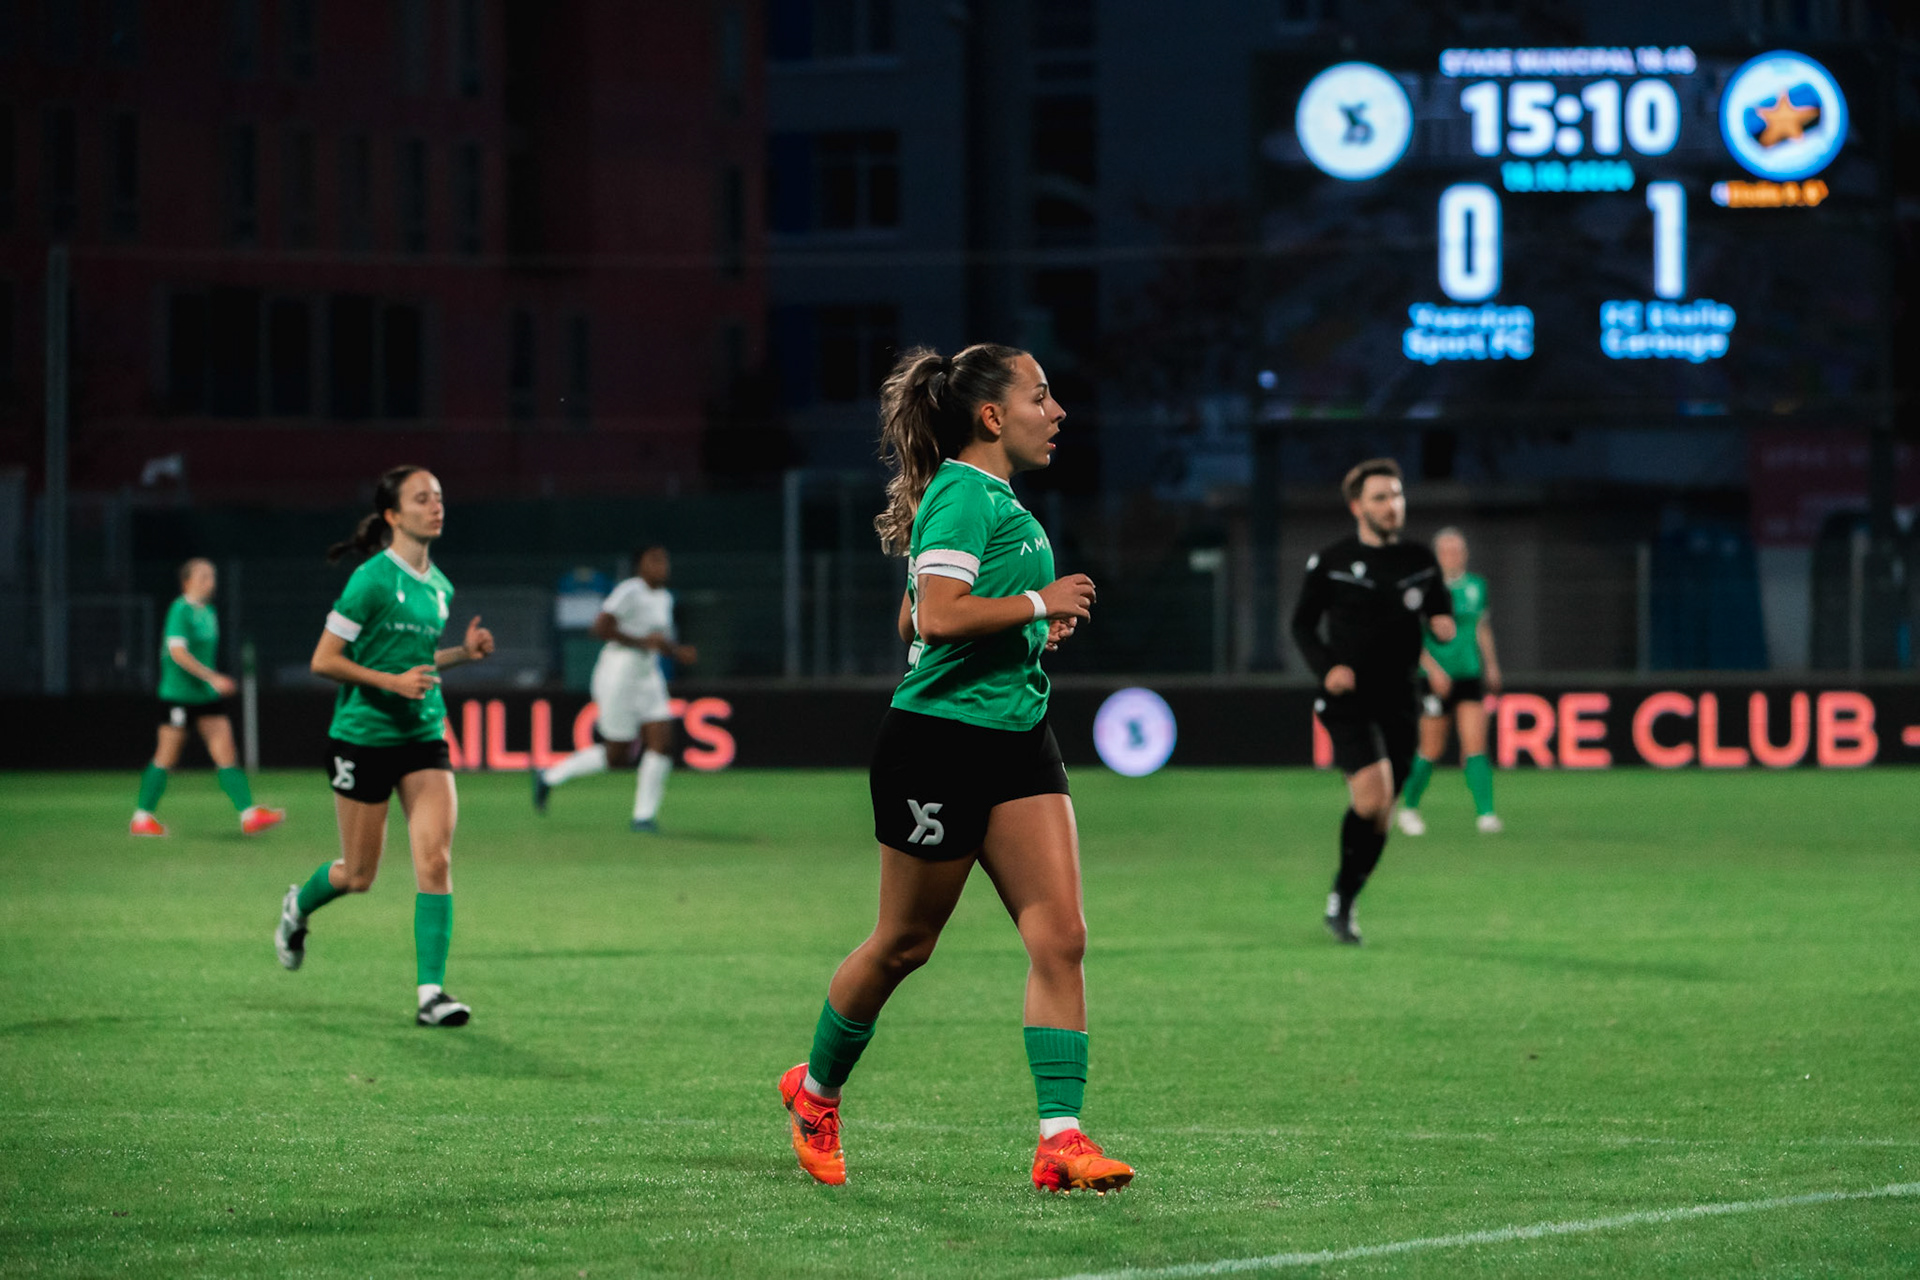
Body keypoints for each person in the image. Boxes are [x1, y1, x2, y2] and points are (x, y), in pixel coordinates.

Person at [777, 344, 1131, 1194]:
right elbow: (933, 618)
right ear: (990, 415)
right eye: (1041, 395)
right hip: (936, 743)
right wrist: (1040, 604)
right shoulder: (963, 493)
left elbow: (912, 616)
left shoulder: (989, 500)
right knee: (905, 943)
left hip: (1017, 738)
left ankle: (1061, 1140)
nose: (1058, 412)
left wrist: (1020, 629)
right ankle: (815, 1094)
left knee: (1062, 937)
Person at [273, 466, 495, 1027]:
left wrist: (461, 655)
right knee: (358, 875)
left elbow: (415, 662)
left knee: (436, 860)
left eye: (440, 496)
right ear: (394, 515)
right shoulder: (370, 581)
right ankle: (298, 906)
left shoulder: (440, 587)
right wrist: (390, 684)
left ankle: (431, 995)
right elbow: (323, 661)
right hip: (364, 737)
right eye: (422, 499)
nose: (436, 506)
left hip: (422, 733)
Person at [1290, 459, 1455, 945]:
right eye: (1381, 497)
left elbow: (1439, 611)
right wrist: (1328, 669)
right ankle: (1342, 900)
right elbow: (1302, 624)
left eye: (1397, 495)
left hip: (1402, 699)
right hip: (1348, 700)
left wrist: (1443, 626)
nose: (1392, 505)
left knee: (1380, 812)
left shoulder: (1420, 561)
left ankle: (1345, 896)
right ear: (1357, 506)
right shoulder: (1332, 562)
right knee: (1372, 795)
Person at [531, 546, 697, 832]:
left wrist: (676, 651)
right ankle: (550, 776)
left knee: (663, 742)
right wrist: (643, 642)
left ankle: (643, 816)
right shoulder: (630, 591)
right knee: (616, 756)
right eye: (654, 560)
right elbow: (600, 628)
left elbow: (656, 639)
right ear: (640, 566)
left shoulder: (664, 598)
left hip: (648, 674)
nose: (662, 566)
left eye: (664, 560)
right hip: (619, 672)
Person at [130, 557, 285, 837]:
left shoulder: (209, 611)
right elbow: (177, 653)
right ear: (186, 582)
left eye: (212, 576)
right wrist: (213, 677)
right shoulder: (180, 610)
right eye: (203, 577)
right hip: (178, 696)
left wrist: (210, 683)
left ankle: (249, 815)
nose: (210, 582)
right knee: (167, 756)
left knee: (226, 751)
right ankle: (142, 818)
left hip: (205, 697)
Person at [1397, 528, 1504, 836]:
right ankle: (1409, 808)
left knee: (1476, 744)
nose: (1453, 556)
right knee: (1431, 747)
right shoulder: (1422, 588)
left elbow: (1481, 628)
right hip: (1434, 679)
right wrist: (1431, 670)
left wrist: (1492, 665)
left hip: (1468, 674)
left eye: (1458, 550)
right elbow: (1409, 636)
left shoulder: (1477, 587)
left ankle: (1486, 814)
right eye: (1447, 551)